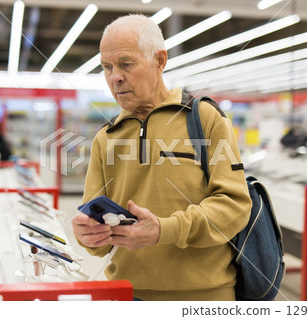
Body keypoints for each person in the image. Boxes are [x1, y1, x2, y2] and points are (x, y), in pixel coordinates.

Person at [71, 14, 252, 301]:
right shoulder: (105, 138)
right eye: (107, 67)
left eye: (126, 64)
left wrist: (164, 230)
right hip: (127, 295)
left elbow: (235, 206)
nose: (115, 77)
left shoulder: (205, 119)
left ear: (159, 61)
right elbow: (97, 234)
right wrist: (89, 235)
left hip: (203, 297)